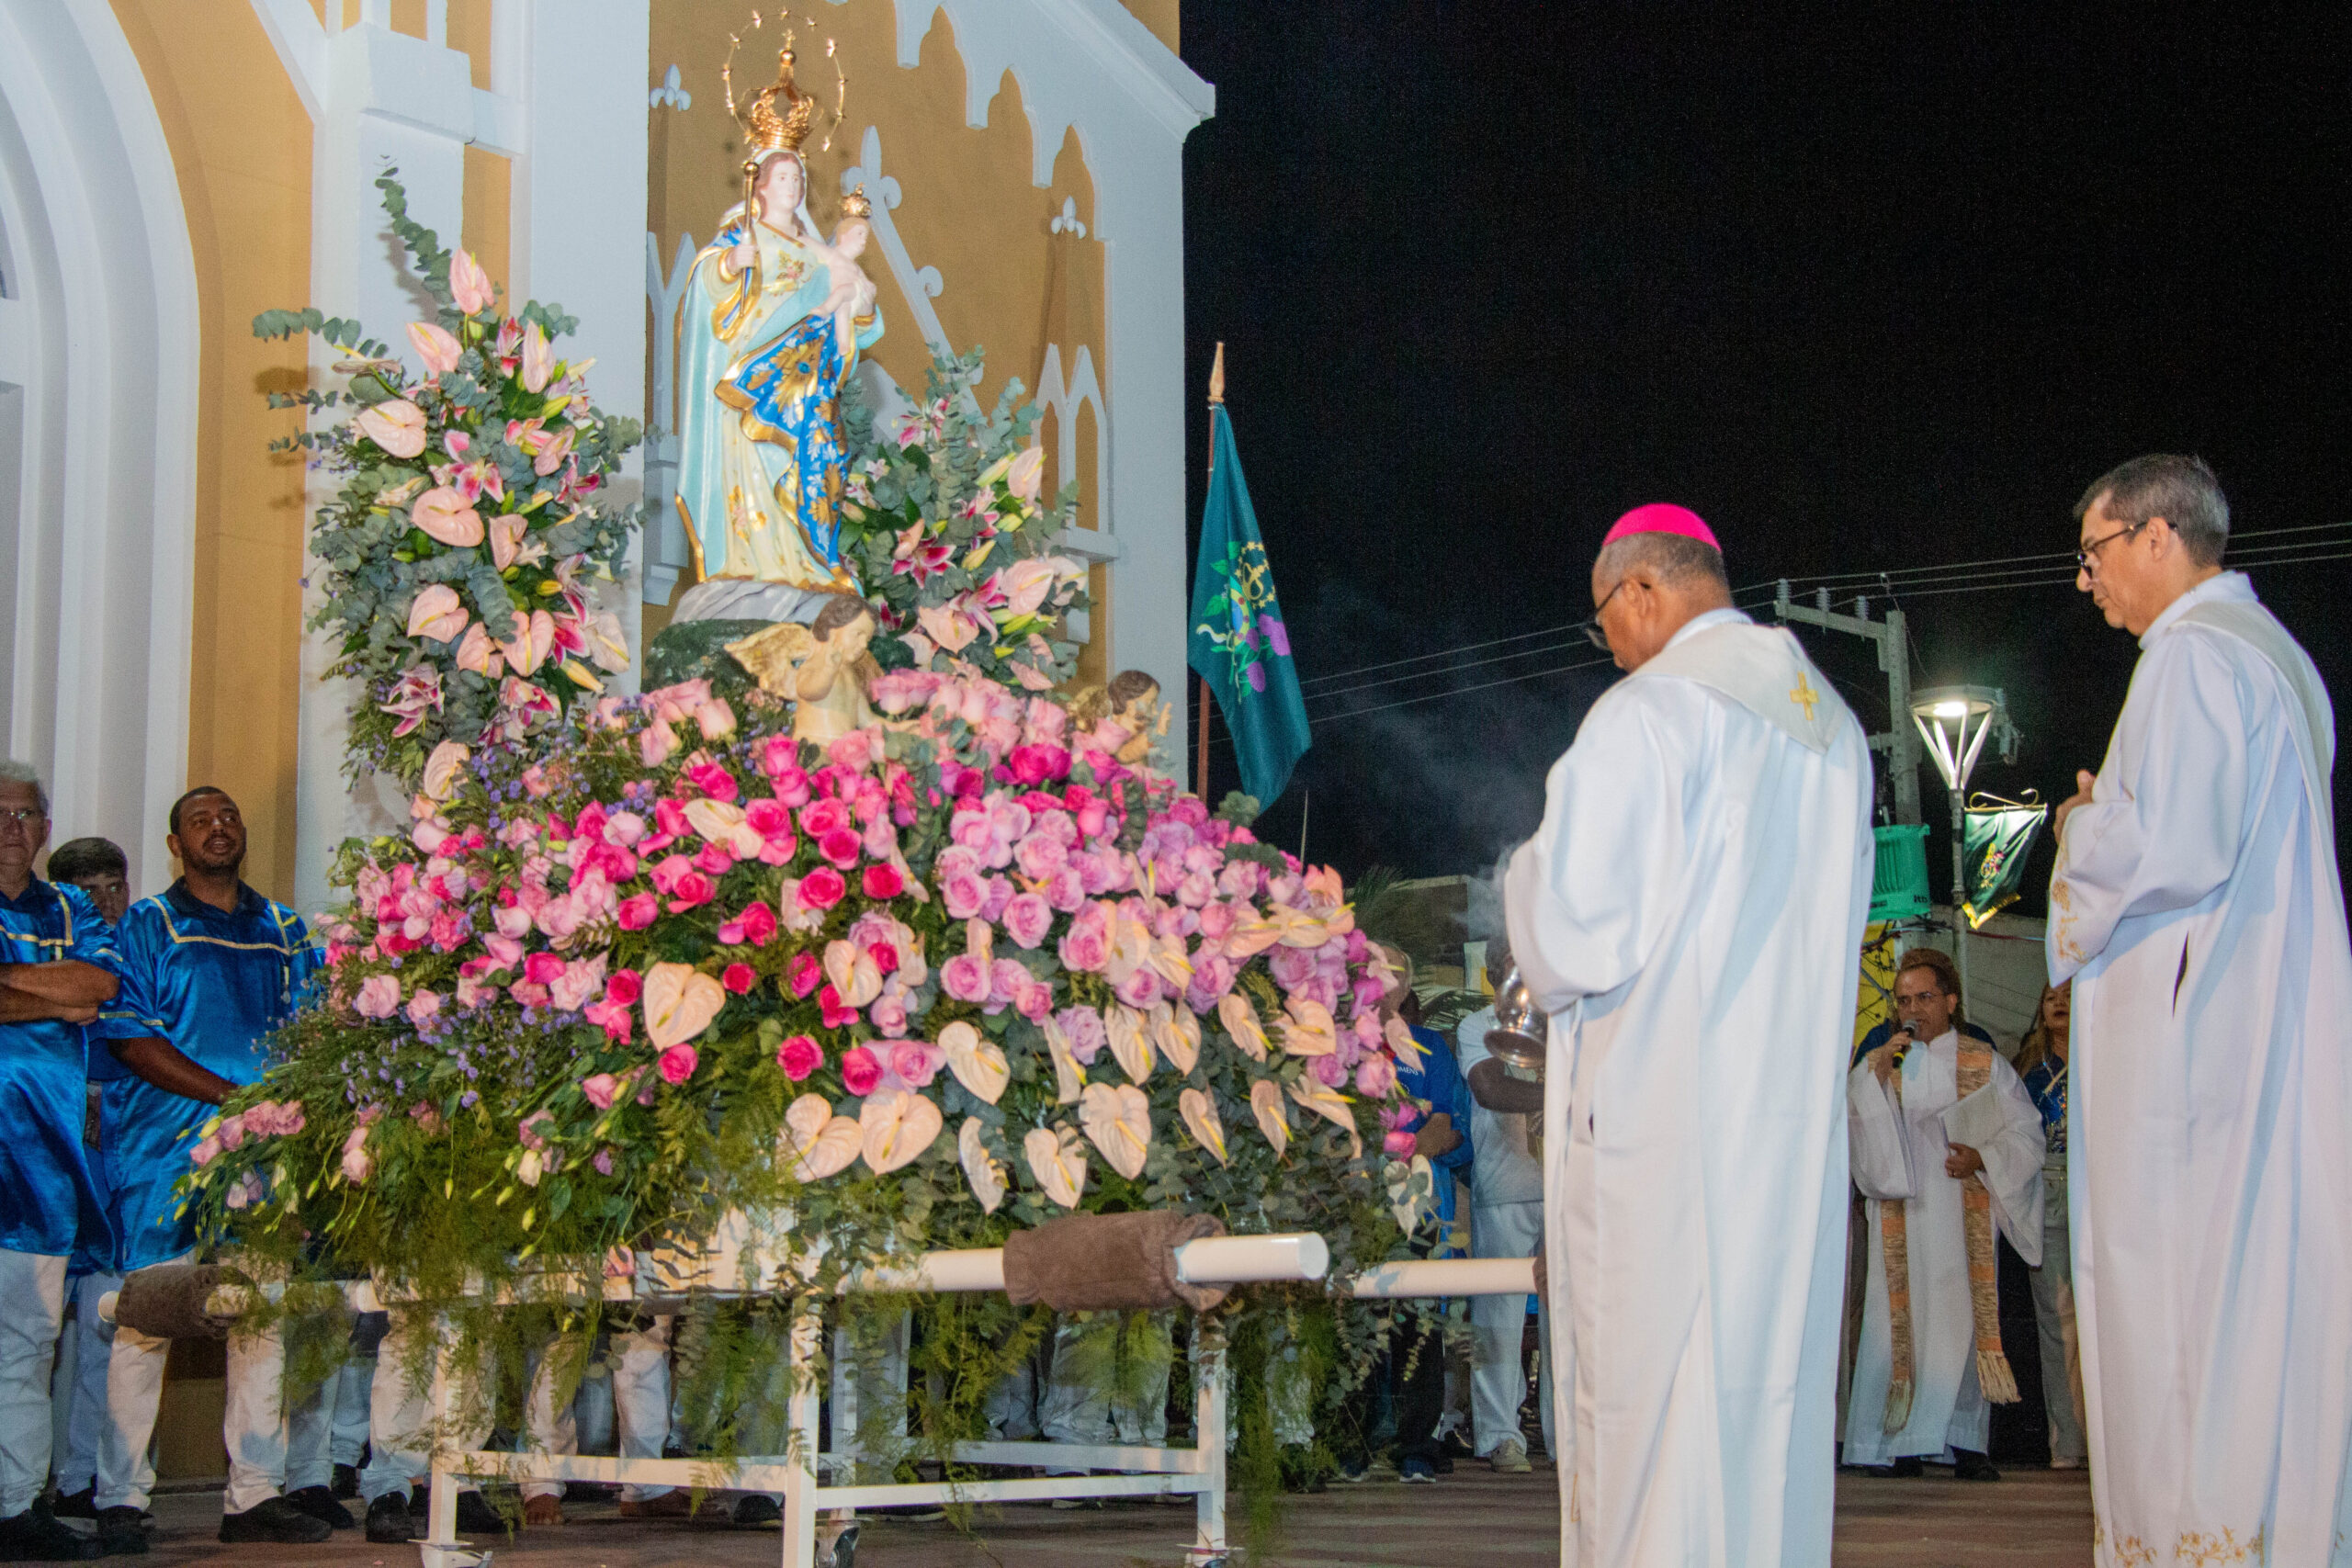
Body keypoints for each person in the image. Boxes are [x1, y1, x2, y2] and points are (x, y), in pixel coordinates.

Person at [1502, 503, 1872, 1564]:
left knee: (1652, 1403)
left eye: (1602, 620)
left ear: (1644, 592)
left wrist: (1521, 870)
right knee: (1760, 1403)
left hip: (1663, 1129)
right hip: (1785, 1132)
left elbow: (1574, 934)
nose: (1607, 645)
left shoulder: (1652, 712)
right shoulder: (1833, 728)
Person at [2047, 454, 2351, 1561]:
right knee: (2264, 1283)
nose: (2087, 583)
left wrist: (2082, 827)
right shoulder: (2280, 660)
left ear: (2157, 536)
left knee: (2177, 1288)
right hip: (2266, 1019)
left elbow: (2171, 845)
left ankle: (2192, 1538)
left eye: (2092, 555)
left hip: (2193, 1049)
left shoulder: (2186, 659)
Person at [94, 787, 348, 1549]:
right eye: (200, 819)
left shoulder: (284, 928)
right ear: (175, 844)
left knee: (261, 1317)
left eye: (229, 816)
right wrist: (230, 1096)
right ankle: (121, 1496)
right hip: (163, 1154)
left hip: (265, 1157)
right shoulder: (146, 924)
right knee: (149, 1318)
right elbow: (128, 1036)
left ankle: (253, 1495)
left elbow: (320, 1031)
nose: (219, 828)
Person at [670, 48, 884, 626]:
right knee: (759, 467)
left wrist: (855, 302)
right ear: (759, 185)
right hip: (751, 388)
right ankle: (753, 569)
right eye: (780, 176)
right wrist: (729, 266)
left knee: (812, 472)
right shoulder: (739, 235)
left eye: (797, 177)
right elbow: (706, 291)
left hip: (807, 388)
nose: (790, 185)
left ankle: (807, 566)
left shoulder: (817, 250)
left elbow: (857, 310)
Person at [1841, 948, 2046, 1481]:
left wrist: (1984, 1158)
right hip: (1902, 1212)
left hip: (1962, 1210)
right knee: (1896, 1325)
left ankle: (1964, 1442)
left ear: (1951, 1001)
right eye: (1903, 999)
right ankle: (1897, 1441)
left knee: (1959, 1321)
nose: (1913, 1008)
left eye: (1924, 997)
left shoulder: (1984, 1061)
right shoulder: (1886, 1061)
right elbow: (1856, 1130)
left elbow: (2025, 1131)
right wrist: (1871, 1081)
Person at [0, 764, 122, 1562]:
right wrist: (55, 998)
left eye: (26, 814)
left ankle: (15, 1505)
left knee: (28, 1341)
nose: (13, 827)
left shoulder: (73, 905)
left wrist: (16, 988)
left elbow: (99, 984)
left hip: (40, 1163)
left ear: (47, 828)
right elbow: (69, 995)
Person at [40, 839, 131, 1529]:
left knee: (106, 1331)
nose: (106, 902)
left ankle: (86, 1480)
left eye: (115, 886)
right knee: (32, 1334)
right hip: (40, 1160)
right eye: (90, 889)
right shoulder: (44, 944)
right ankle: (26, 1481)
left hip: (114, 1173)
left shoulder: (143, 950)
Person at [1456, 950, 1555, 1475]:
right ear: (1492, 975)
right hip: (1506, 1187)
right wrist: (1561, 1091)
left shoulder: (1563, 1020)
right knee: (1499, 1318)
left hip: (1566, 1188)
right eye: (1508, 970)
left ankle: (1568, 1438)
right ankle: (1500, 1435)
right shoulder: (1479, 1025)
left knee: (1570, 1320)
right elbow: (1489, 1087)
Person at [2010, 981, 2085, 1470]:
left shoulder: (2108, 1058)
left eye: (2068, 995)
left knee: (2104, 1323)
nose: (2057, 1003)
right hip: (2048, 1194)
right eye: (2049, 997)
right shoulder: (2028, 1073)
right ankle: (2068, 1443)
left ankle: (2113, 1442)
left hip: (2100, 1194)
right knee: (2056, 1322)